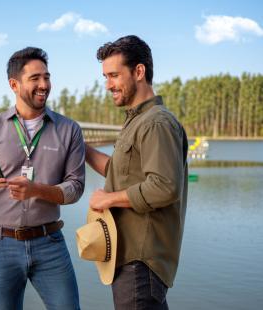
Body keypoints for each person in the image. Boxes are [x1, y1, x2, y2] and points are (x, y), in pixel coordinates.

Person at [0, 47, 85, 310]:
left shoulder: (69, 130)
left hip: (50, 244)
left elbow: (76, 188)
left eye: (47, 77)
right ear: (14, 84)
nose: (44, 85)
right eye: (35, 78)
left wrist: (37, 190)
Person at [85, 35, 188, 309]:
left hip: (140, 264)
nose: (108, 85)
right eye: (105, 77)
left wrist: (107, 199)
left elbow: (165, 186)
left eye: (114, 75)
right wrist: (81, 149)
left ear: (139, 71)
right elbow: (119, 172)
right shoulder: (138, 122)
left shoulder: (156, 123)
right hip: (130, 260)